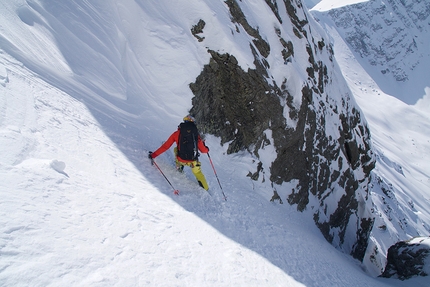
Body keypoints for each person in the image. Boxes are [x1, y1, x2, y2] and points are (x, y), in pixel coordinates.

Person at [148, 115, 210, 190]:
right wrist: (207, 149)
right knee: (198, 173)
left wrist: (153, 155)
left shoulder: (177, 133)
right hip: (193, 162)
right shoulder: (196, 135)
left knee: (176, 149)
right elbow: (203, 150)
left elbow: (165, 146)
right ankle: (206, 189)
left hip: (181, 159)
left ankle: (179, 166)